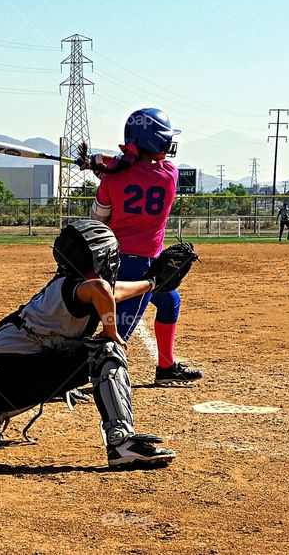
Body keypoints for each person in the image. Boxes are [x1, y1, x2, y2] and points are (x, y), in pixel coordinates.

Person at [0, 219, 183, 468]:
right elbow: (102, 289)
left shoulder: (69, 286)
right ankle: (121, 443)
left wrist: (152, 283)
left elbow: (111, 292)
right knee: (105, 350)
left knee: (51, 355)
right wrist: (111, 332)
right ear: (100, 259)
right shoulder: (79, 289)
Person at [84, 108, 202, 386]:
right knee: (117, 332)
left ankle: (166, 367)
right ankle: (73, 377)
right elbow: (137, 166)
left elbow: (97, 220)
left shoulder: (112, 178)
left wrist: (105, 171)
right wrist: (106, 163)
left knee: (169, 301)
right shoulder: (170, 175)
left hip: (115, 259)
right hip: (142, 266)